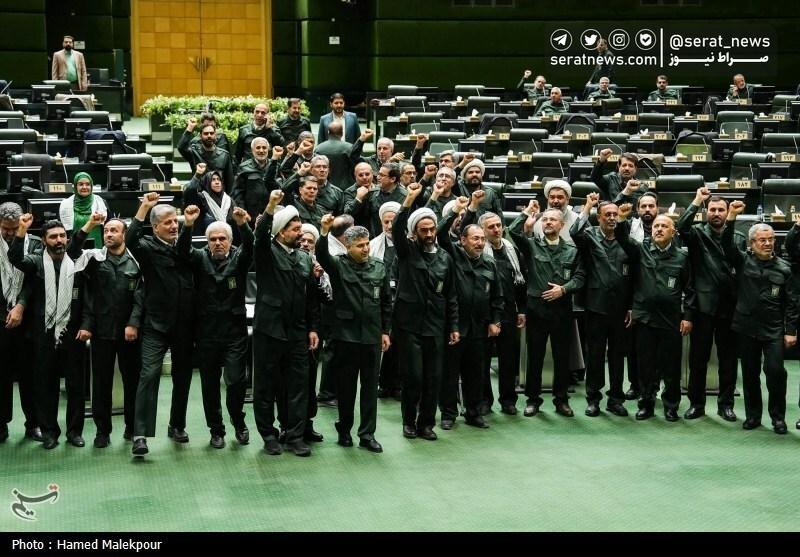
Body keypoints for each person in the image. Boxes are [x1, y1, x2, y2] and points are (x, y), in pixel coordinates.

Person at [10, 213, 101, 449]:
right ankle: (50, 432)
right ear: (44, 240)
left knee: (76, 386)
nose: (59, 240)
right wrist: (21, 230)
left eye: (62, 236)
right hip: (43, 333)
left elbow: (88, 300)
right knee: (45, 385)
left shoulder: (77, 262)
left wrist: (87, 325)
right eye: (53, 237)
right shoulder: (36, 262)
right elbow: (14, 258)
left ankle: (74, 432)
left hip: (73, 332)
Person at [126, 194, 196, 456]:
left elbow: (185, 251)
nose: (173, 226)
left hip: (184, 325)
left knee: (183, 376)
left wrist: (189, 225)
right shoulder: (146, 248)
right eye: (167, 223)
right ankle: (140, 434)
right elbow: (130, 239)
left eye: (175, 222)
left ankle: (177, 425)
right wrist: (144, 208)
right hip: (156, 324)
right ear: (155, 227)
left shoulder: (185, 246)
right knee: (149, 374)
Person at [252, 191, 320, 457]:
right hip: (269, 331)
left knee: (298, 386)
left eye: (301, 228)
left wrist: (313, 328)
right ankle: (268, 435)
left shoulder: (304, 258)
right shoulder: (266, 252)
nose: (300, 233)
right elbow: (260, 235)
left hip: (297, 332)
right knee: (266, 386)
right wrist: (270, 206)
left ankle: (294, 435)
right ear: (280, 232)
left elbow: (311, 297)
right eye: (295, 229)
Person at [180, 205, 253, 449]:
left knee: (235, 381)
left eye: (222, 239)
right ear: (207, 241)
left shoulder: (239, 258)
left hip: (234, 332)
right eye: (213, 239)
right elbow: (182, 251)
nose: (218, 243)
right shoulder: (199, 257)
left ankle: (238, 420)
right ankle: (216, 430)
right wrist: (188, 225)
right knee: (209, 384)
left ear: (230, 241)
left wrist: (243, 225)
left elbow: (252, 247)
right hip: (207, 332)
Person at [316, 215, 391, 452]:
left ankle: (367, 434)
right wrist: (324, 231)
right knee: (346, 388)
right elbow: (321, 255)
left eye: (367, 244)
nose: (365, 249)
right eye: (359, 246)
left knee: (369, 389)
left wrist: (385, 331)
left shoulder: (379, 267)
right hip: (346, 338)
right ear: (348, 247)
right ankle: (345, 429)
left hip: (371, 337)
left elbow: (386, 303)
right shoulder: (338, 265)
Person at [616, 204, 695, 421]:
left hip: (671, 320)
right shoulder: (641, 251)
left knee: (671, 366)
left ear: (673, 232)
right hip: (645, 318)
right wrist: (621, 218)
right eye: (656, 226)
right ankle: (646, 404)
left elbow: (690, 290)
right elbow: (623, 239)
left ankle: (671, 405)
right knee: (646, 365)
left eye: (664, 226)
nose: (659, 229)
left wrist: (688, 317)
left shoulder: (682, 257)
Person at [393, 183, 459, 440]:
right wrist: (408, 201)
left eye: (432, 229)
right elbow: (397, 228)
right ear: (414, 232)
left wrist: (453, 326)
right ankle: (409, 422)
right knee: (414, 377)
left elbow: (451, 295)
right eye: (424, 230)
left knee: (434, 378)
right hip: (410, 327)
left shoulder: (445, 258)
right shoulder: (406, 252)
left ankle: (426, 424)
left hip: (436, 326)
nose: (430, 234)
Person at [724, 202, 796, 433]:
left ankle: (778, 418)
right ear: (751, 244)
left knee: (775, 372)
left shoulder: (784, 269)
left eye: (771, 239)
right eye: (762, 240)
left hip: (773, 329)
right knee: (750, 374)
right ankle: (753, 416)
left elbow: (792, 303)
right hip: (746, 327)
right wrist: (731, 217)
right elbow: (726, 244)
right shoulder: (742, 261)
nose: (767, 243)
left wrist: (791, 330)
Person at [509, 202, 585, 418]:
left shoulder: (572, 250)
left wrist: (564, 289)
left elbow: (580, 277)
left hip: (562, 309)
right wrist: (526, 214)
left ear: (562, 225)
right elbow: (513, 231)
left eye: (553, 220)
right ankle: (533, 400)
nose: (548, 222)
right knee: (535, 356)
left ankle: (561, 400)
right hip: (537, 309)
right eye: (545, 220)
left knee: (562, 358)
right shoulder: (532, 245)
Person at [437, 195, 504, 429]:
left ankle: (473, 412)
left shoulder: (489, 263)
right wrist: (456, 211)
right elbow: (441, 233)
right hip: (455, 327)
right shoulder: (452, 255)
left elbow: (497, 296)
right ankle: (448, 414)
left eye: (482, 239)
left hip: (479, 328)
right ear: (463, 240)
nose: (480, 243)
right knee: (449, 373)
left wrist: (496, 320)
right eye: (475, 238)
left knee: (476, 373)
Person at [678, 188, 745, 421]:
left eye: (721, 210)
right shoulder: (697, 233)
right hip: (703, 307)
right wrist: (697, 200)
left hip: (729, 307)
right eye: (713, 210)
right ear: (706, 212)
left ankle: (725, 405)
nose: (716, 213)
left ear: (727, 212)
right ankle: (696, 404)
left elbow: (739, 263)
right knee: (698, 359)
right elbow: (681, 227)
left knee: (728, 360)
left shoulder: (738, 236)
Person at [77, 218, 143, 448]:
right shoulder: (95, 261)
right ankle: (102, 431)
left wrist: (134, 323)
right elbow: (89, 297)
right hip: (102, 331)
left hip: (129, 333)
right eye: (106, 231)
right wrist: (87, 324)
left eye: (114, 230)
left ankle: (132, 427)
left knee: (132, 382)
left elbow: (141, 296)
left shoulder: (136, 262)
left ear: (124, 235)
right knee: (101, 384)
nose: (109, 234)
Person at [462, 195, 527, 416]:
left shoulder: (511, 250)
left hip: (508, 311)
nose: (497, 230)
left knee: (509, 359)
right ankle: (484, 401)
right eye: (491, 227)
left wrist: (522, 310)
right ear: (482, 230)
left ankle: (508, 400)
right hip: (483, 315)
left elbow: (521, 283)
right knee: (482, 361)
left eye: (499, 225)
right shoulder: (477, 254)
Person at [570, 194, 631, 417]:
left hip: (620, 308)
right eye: (608, 214)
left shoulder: (625, 239)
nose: (612, 218)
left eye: (615, 214)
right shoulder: (590, 236)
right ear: (599, 218)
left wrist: (631, 306)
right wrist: (587, 206)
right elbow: (574, 232)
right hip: (596, 306)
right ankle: (593, 399)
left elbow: (634, 276)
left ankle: (615, 399)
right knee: (595, 355)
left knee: (617, 356)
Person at [0, 203, 43, 443]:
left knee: (30, 374)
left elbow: (35, 279)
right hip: (0, 318)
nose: (9, 233)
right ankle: (1, 424)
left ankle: (33, 423)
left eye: (13, 228)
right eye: (5, 228)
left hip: (28, 318)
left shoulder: (34, 244)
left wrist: (20, 305)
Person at [370, 201, 402, 399]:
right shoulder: (373, 245)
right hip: (382, 299)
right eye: (386, 222)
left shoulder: (408, 243)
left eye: (393, 221)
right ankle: (383, 383)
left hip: (403, 299)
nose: (390, 226)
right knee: (384, 342)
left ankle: (397, 384)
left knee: (399, 345)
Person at [232, 139, 283, 223]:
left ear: (268, 149)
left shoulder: (276, 166)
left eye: (264, 148)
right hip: (251, 215)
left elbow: (280, 188)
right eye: (258, 148)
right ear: (252, 150)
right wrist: (243, 211)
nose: (261, 151)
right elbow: (238, 193)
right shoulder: (244, 168)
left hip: (272, 213)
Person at [177, 120, 235, 189]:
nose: (209, 136)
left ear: (215, 135)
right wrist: (190, 128)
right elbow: (181, 148)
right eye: (206, 133)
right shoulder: (194, 153)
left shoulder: (224, 155)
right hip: (199, 193)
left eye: (211, 133)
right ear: (200, 136)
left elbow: (230, 181)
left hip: (218, 193)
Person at [183, 164, 235, 237]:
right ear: (207, 182)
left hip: (226, 239)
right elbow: (189, 192)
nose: (217, 182)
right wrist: (198, 174)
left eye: (219, 179)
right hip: (205, 239)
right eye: (213, 180)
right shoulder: (201, 198)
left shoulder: (228, 200)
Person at [59, 172, 108, 247]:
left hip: (97, 247)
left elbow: (108, 225)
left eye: (88, 184)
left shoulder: (100, 202)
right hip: (75, 247)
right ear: (75, 186)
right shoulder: (65, 204)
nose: (84, 187)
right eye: (81, 184)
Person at [314, 122, 367, 188]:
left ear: (328, 132)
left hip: (325, 187)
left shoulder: (318, 149)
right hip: (346, 187)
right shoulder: (350, 148)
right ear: (342, 133)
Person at [533, 180, 578, 244]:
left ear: (567, 199)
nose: (556, 201)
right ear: (548, 199)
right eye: (552, 197)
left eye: (560, 197)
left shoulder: (577, 220)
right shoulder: (537, 219)